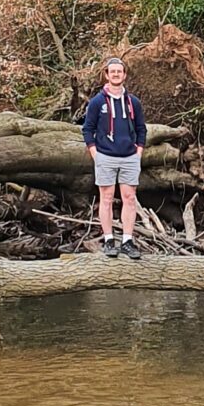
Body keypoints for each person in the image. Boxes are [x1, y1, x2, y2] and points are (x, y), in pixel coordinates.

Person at [82, 55, 147, 259]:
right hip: (105, 157)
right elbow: (87, 129)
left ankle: (127, 240)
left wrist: (138, 153)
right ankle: (108, 239)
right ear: (107, 75)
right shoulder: (97, 102)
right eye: (113, 72)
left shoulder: (133, 102)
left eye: (119, 71)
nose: (116, 74)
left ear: (124, 75)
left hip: (129, 157)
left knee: (129, 198)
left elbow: (141, 129)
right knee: (107, 198)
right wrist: (95, 154)